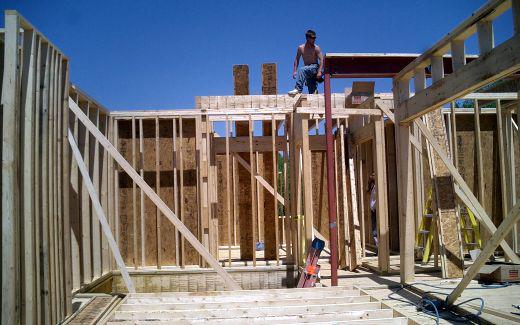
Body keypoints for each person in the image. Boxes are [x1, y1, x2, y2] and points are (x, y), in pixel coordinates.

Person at [288, 30, 324, 95]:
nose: (314, 39)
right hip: (307, 70)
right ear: (307, 38)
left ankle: (298, 89)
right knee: (312, 92)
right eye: (312, 38)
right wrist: (294, 71)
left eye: (315, 38)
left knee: (302, 70)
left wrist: (319, 71)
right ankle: (314, 92)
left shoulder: (316, 48)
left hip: (314, 68)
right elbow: (297, 59)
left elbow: (322, 59)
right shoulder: (301, 48)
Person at [368, 173, 378, 248]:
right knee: (374, 231)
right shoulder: (373, 187)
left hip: (376, 211)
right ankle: (378, 249)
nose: (371, 177)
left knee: (375, 231)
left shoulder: (377, 187)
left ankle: (380, 250)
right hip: (374, 211)